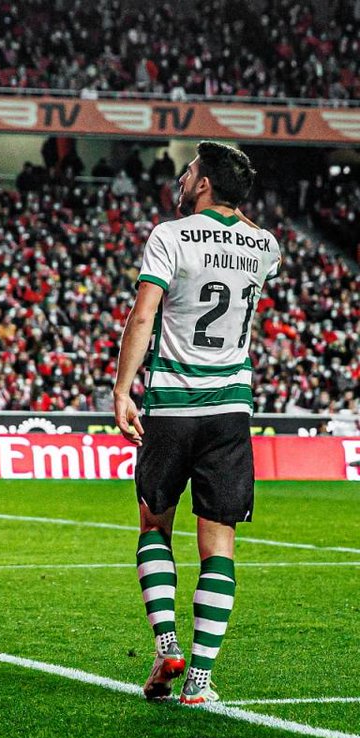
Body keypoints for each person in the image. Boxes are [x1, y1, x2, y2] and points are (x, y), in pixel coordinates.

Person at [113, 142, 281, 705]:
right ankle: (201, 681)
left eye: (188, 171)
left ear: (204, 182)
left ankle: (167, 646)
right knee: (220, 546)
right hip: (231, 410)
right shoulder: (266, 245)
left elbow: (144, 314)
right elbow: (249, 236)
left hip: (174, 405)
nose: (181, 179)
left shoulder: (170, 234)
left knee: (154, 526)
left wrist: (121, 388)